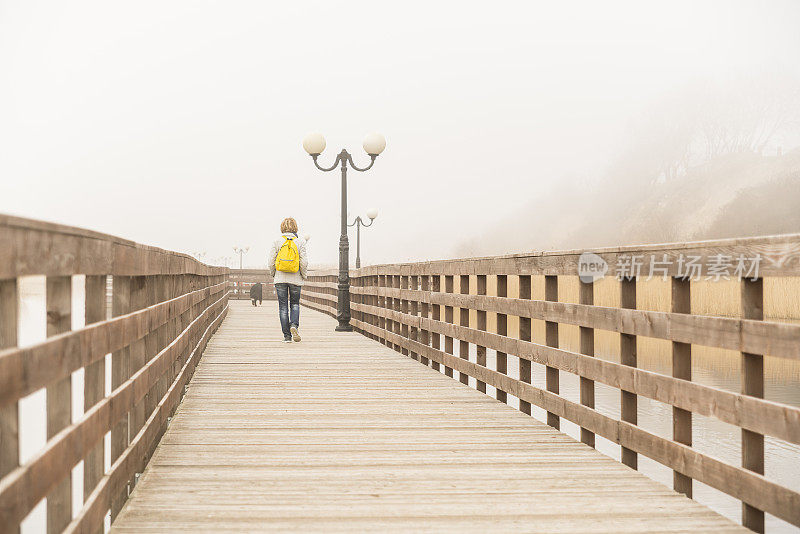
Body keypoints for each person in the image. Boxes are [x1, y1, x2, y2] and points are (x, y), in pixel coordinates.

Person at [268, 217, 308, 342]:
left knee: (283, 306)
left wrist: (273, 274)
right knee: (295, 304)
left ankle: (287, 336)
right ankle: (294, 325)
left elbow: (271, 261)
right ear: (295, 227)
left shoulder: (277, 241)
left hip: (280, 279)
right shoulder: (300, 241)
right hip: (295, 278)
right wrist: (303, 275)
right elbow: (304, 262)